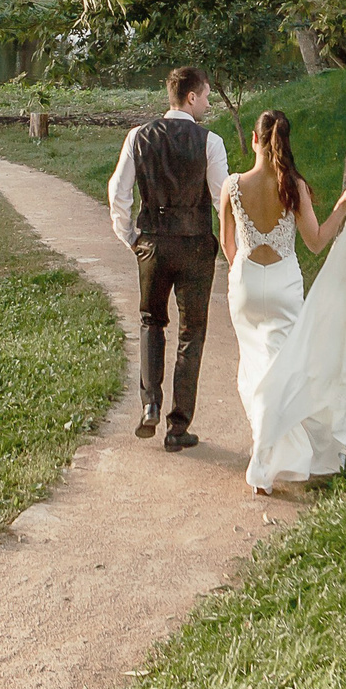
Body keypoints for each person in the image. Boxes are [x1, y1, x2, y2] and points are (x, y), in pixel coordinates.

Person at [219, 109, 346, 495]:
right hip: (283, 289)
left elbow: (227, 243)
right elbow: (316, 241)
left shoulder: (232, 185)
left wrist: (241, 272)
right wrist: (341, 205)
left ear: (255, 140)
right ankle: (265, 458)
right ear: (285, 142)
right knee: (284, 371)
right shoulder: (295, 187)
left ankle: (267, 453)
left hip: (244, 287)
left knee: (256, 370)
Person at [107, 65, 228, 451]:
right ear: (190, 97)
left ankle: (150, 405)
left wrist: (132, 239)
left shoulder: (137, 137)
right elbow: (222, 199)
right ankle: (178, 428)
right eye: (206, 96)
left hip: (153, 244)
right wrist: (228, 247)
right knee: (192, 333)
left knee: (150, 322)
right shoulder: (211, 142)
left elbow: (118, 193)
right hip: (194, 245)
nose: (207, 103)